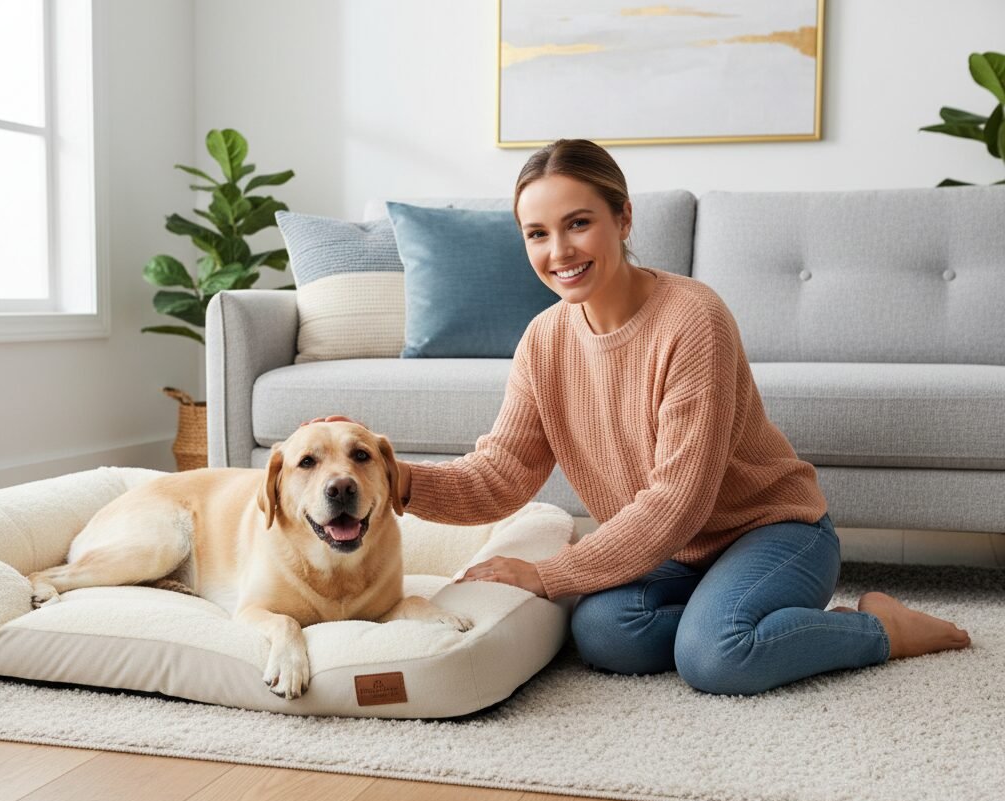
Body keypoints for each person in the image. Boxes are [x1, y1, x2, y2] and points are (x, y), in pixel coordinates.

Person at [309, 138, 971, 696]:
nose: (558, 251)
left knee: (715, 658)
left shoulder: (692, 318)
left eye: (578, 223)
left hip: (773, 530)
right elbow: (504, 471)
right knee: (601, 634)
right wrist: (392, 479)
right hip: (671, 554)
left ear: (623, 219)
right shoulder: (544, 339)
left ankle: (882, 627)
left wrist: (547, 575)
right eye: (536, 234)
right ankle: (732, 613)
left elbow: (677, 504)